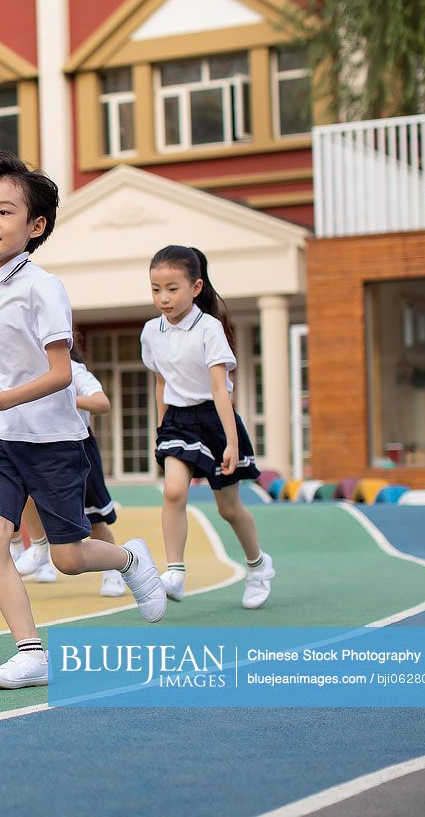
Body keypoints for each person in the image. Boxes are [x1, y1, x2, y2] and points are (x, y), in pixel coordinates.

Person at [0, 152, 165, 690]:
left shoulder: (43, 287)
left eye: (4, 212)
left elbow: (62, 374)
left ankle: (128, 557)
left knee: (67, 557)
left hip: (52, 440)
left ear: (35, 226)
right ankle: (31, 653)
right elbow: (5, 358)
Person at [141, 245, 274, 609]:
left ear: (196, 287)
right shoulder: (151, 331)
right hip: (177, 421)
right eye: (156, 289)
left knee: (229, 509)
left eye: (172, 288)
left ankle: (259, 566)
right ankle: (176, 573)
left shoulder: (209, 329)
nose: (163, 298)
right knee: (172, 492)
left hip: (214, 421)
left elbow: (220, 390)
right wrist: (159, 429)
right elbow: (159, 383)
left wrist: (231, 442)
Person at [0, 358, 127, 598]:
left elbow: (101, 403)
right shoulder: (18, 370)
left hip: (74, 446)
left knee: (93, 520)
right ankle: (40, 548)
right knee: (28, 497)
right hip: (34, 446)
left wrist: (59, 397)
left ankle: (116, 567)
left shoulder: (72, 370)